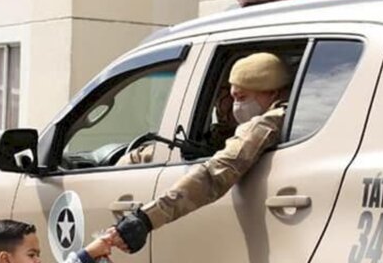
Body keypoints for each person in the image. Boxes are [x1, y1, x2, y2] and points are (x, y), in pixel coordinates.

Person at [112, 52, 291, 252]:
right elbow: (210, 145)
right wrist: (135, 158)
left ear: (272, 93)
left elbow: (216, 172)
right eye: (229, 98)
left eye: (241, 97)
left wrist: (146, 218)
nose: (234, 107)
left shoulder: (268, 122)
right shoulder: (284, 117)